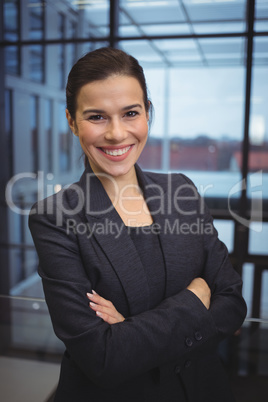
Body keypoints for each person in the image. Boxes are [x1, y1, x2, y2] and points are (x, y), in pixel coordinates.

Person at [29, 47, 247, 402]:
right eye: (96, 117)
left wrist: (132, 330)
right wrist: (195, 300)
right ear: (71, 122)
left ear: (148, 113)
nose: (116, 134)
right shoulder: (56, 217)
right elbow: (104, 358)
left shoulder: (182, 190)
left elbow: (233, 304)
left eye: (130, 113)